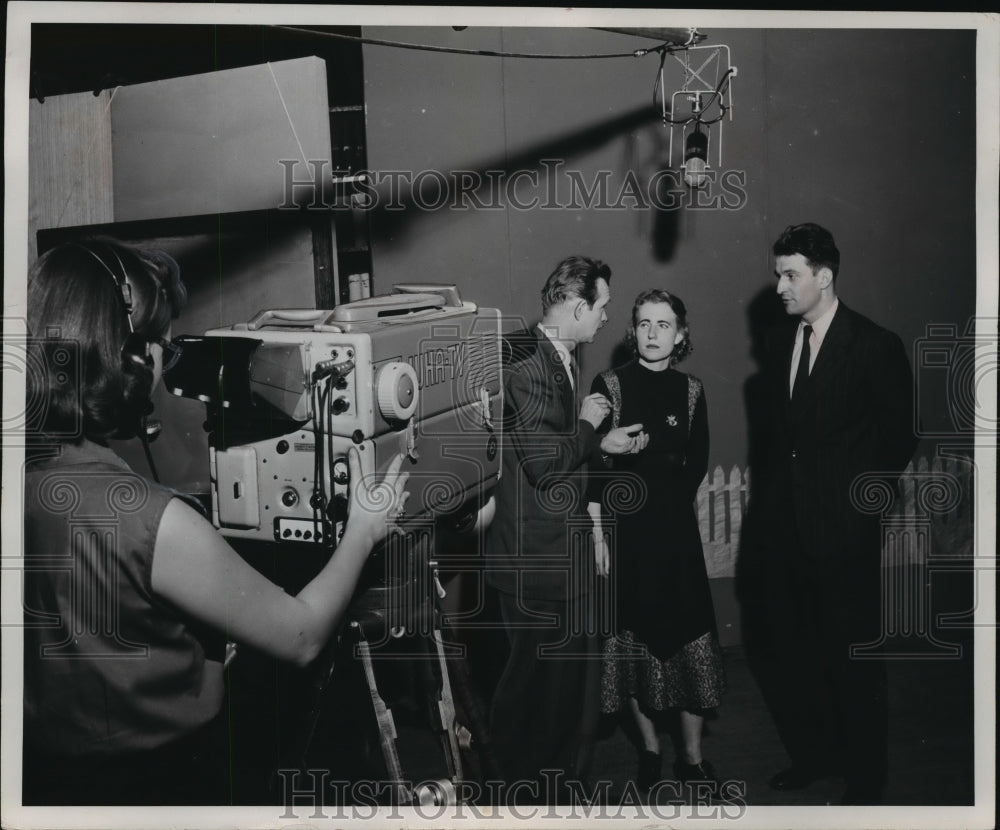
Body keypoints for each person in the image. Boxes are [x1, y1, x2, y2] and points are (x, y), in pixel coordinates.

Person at [22, 238, 409, 805]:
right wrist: (363, 531)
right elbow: (300, 636)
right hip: (169, 784)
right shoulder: (155, 522)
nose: (158, 363)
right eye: (156, 345)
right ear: (125, 355)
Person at [760, 223, 917, 805]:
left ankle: (865, 779)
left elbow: (897, 441)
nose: (779, 285)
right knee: (799, 654)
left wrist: (852, 512)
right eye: (778, 273)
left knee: (852, 661)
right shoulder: (783, 341)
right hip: (790, 535)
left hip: (846, 535)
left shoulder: (874, 344)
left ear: (824, 278)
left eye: (790, 274)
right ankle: (815, 758)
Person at [485, 255, 646, 803]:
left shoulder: (548, 353)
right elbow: (546, 462)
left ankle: (553, 789)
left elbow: (554, 450)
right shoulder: (530, 364)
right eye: (601, 308)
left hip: (558, 552)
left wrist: (597, 442)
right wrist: (591, 425)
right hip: (539, 560)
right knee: (537, 690)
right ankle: (521, 794)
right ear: (578, 306)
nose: (605, 319)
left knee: (562, 688)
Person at [588, 289, 726, 794]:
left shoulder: (691, 390)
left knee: (689, 636)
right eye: (644, 324)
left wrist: (666, 503)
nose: (652, 334)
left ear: (681, 333)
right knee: (632, 642)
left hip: (676, 537)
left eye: (663, 325)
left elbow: (698, 460)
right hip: (628, 537)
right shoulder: (610, 384)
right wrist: (601, 531)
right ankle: (649, 751)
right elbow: (592, 465)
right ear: (632, 330)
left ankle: (690, 757)